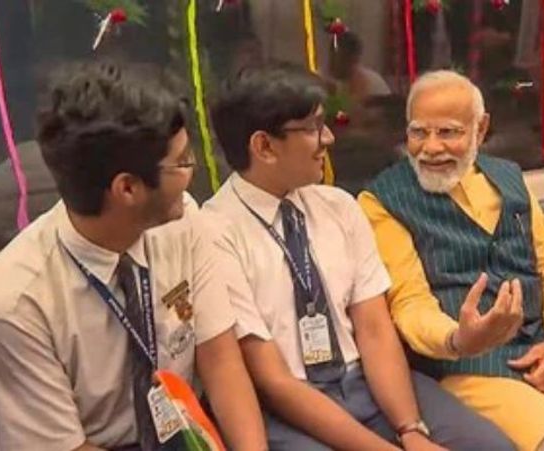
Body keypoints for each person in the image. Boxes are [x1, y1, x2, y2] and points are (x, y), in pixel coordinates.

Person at [203, 66, 515, 451]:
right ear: (265, 147)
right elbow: (273, 380)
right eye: (314, 127)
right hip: (290, 404)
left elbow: (374, 330)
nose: (329, 138)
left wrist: (410, 429)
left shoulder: (338, 206)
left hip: (366, 380)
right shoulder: (214, 233)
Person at [359, 70, 544, 451]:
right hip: (459, 362)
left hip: (538, 341)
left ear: (481, 128)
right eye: (418, 132)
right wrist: (458, 338)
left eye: (449, 132)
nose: (430, 148)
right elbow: (408, 301)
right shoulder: (383, 200)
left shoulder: (510, 179)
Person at [0, 61, 266, 451]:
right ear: (127, 189)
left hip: (188, 433)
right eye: (183, 162)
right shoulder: (17, 301)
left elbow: (221, 362)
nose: (192, 172)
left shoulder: (184, 221)